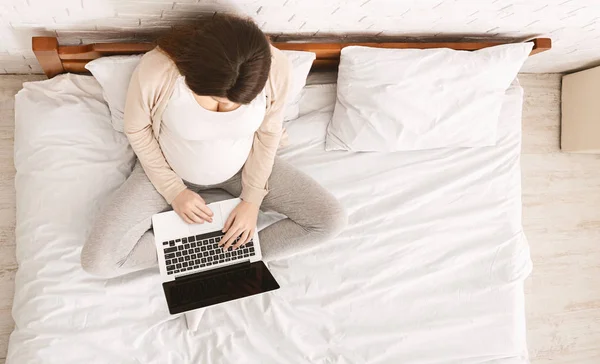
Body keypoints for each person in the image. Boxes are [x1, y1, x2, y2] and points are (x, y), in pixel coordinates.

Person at [81, 14, 347, 277]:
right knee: (98, 260)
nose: (226, 106)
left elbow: (269, 133)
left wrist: (252, 201)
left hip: (243, 166)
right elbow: (137, 129)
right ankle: (202, 256)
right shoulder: (159, 69)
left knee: (330, 220)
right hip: (168, 170)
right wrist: (174, 191)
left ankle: (230, 255)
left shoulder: (275, 67)